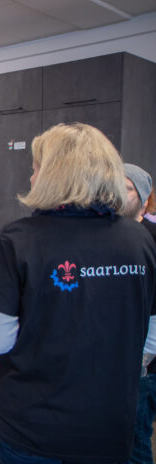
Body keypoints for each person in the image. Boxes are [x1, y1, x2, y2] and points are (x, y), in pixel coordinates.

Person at [0, 123, 156, 463]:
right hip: (109, 426)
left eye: (34, 169)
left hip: (32, 428)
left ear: (55, 175)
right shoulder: (140, 240)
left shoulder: (18, 239)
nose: (31, 178)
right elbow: (148, 333)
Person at [123, 163, 156, 464]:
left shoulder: (151, 238)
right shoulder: (107, 236)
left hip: (143, 362)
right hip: (112, 361)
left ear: (145, 199)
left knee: (135, 441)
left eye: (127, 187)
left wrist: (144, 357)